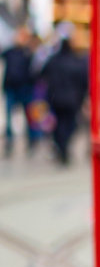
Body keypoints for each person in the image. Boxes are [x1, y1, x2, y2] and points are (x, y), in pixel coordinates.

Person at [42, 28, 89, 165]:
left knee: (60, 124)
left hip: (55, 98)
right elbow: (84, 80)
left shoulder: (53, 60)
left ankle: (61, 146)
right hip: (72, 99)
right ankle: (63, 147)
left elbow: (40, 74)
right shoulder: (76, 61)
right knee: (70, 124)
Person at [2, 26, 39, 155]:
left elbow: (35, 69)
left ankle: (32, 140)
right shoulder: (10, 51)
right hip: (11, 88)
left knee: (29, 116)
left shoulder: (28, 52)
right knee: (9, 116)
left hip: (25, 88)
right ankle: (9, 142)